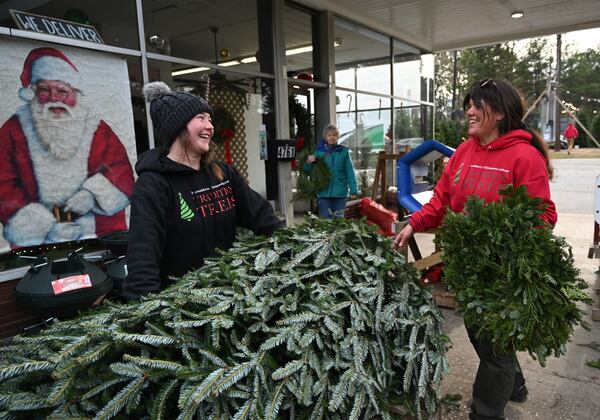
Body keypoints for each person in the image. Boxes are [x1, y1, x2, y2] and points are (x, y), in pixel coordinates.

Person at [393, 79, 557, 420]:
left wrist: (507, 240)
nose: (468, 110)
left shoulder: (524, 157)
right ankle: (515, 384)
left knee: (493, 345)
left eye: (476, 105)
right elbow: (441, 200)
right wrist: (414, 223)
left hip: (502, 269)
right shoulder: (465, 151)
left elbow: (544, 215)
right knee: (479, 335)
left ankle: (485, 412)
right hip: (466, 265)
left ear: (498, 113)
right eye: (468, 104)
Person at [123, 82, 281, 300]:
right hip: (181, 305)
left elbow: (264, 219)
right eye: (201, 118)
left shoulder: (223, 174)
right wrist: (148, 313)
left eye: (210, 119)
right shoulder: (153, 186)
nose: (210, 126)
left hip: (229, 298)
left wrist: (291, 248)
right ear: (177, 127)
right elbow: (143, 257)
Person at [0, 47, 134, 248]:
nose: (55, 98)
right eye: (45, 90)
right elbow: (4, 183)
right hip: (36, 246)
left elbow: (121, 171)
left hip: (97, 238)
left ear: (75, 93)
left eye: (62, 90)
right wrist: (40, 224)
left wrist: (93, 195)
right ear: (33, 94)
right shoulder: (13, 130)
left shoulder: (96, 127)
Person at [304, 124, 358, 218]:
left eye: (334, 135)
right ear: (325, 137)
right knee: (326, 221)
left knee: (339, 220)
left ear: (337, 137)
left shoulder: (343, 151)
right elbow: (307, 171)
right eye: (329, 135)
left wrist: (353, 189)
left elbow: (349, 171)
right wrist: (308, 162)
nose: (331, 137)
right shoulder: (318, 152)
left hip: (340, 193)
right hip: (323, 192)